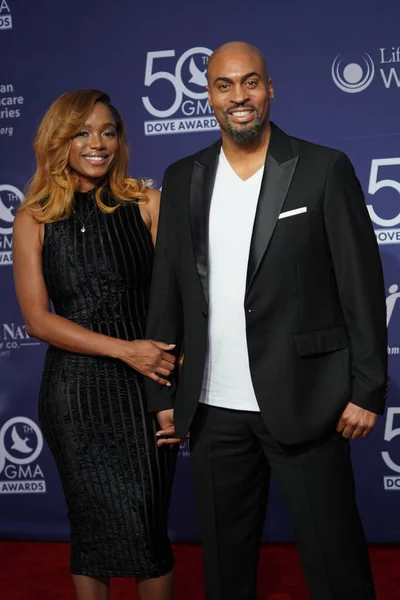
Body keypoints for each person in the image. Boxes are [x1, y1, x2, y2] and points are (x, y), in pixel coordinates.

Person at [145, 42, 388, 600]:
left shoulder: (323, 168)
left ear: (270, 88)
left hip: (309, 400)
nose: (239, 97)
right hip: (211, 409)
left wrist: (369, 388)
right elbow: (168, 288)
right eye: (224, 85)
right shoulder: (184, 176)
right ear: (208, 95)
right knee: (226, 574)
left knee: (337, 566)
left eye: (250, 83)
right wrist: (160, 390)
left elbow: (361, 285)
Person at [13, 89, 177, 600]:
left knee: (148, 529)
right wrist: (126, 349)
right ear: (58, 141)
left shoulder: (148, 204)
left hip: (147, 390)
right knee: (90, 533)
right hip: (77, 396)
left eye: (108, 131)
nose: (97, 143)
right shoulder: (34, 217)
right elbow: (38, 321)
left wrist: (171, 397)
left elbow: (175, 305)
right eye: (82, 132)